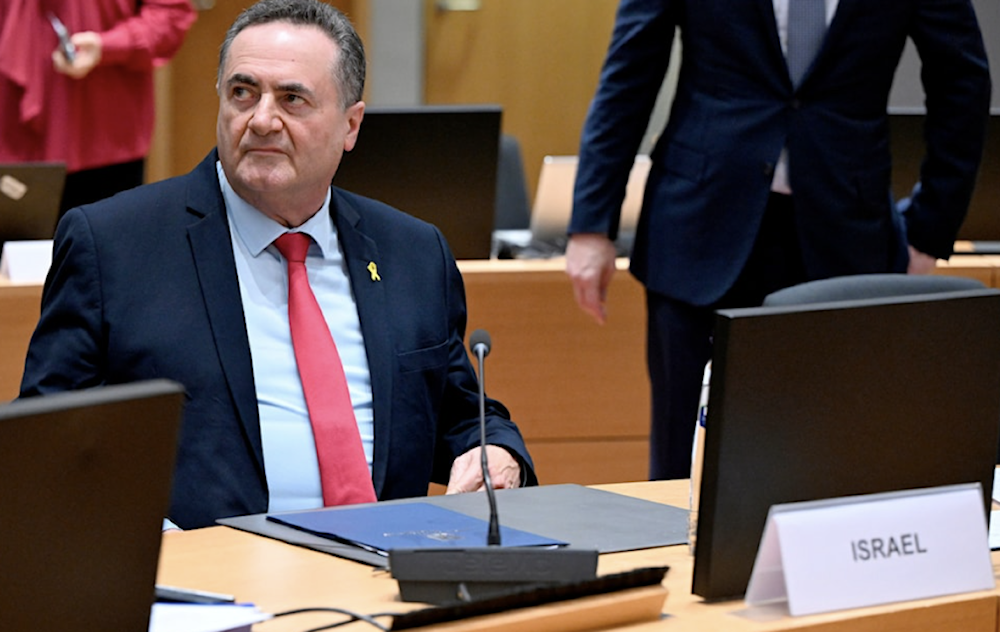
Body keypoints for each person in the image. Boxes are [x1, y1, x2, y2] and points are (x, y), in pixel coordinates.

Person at [18, 0, 536, 530]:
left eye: (292, 99)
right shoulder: (114, 245)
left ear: (351, 125)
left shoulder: (411, 251)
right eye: (243, 93)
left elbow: (463, 417)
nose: (262, 119)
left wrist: (498, 452)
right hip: (207, 586)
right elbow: (42, 447)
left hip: (382, 576)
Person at [566, 0, 992, 480]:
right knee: (683, 464)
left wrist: (930, 229)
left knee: (840, 458)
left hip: (847, 237)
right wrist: (591, 225)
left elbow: (962, 80)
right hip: (697, 231)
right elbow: (630, 72)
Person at [0, 0, 197, 215]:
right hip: (9, 135)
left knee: (107, 243)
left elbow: (171, 15)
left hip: (103, 140)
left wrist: (110, 45)